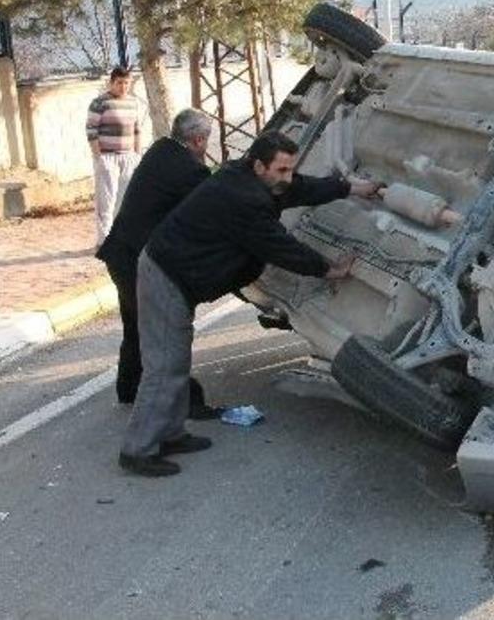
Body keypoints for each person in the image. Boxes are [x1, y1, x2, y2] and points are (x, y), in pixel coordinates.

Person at [118, 131, 381, 477]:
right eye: (282, 170)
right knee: (164, 365)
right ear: (259, 165)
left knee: (175, 361)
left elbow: (301, 188)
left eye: (290, 169)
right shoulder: (243, 199)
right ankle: (138, 450)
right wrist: (328, 269)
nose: (288, 178)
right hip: (167, 277)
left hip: (175, 273)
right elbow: (279, 247)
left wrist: (351, 189)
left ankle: (170, 434)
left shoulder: (249, 178)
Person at [97, 109, 215, 414]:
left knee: (135, 325)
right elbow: (213, 210)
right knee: (159, 330)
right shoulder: (191, 171)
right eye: (207, 140)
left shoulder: (161, 149)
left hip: (119, 253)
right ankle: (180, 399)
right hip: (137, 261)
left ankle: (129, 388)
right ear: (199, 140)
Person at [86, 67, 148, 245]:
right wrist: (99, 157)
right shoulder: (100, 103)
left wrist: (137, 154)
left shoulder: (133, 102)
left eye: (126, 83)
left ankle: (119, 237)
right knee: (107, 199)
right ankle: (104, 239)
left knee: (124, 198)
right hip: (107, 156)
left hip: (128, 156)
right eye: (119, 83)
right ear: (111, 82)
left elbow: (137, 130)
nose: (123, 87)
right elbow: (91, 131)